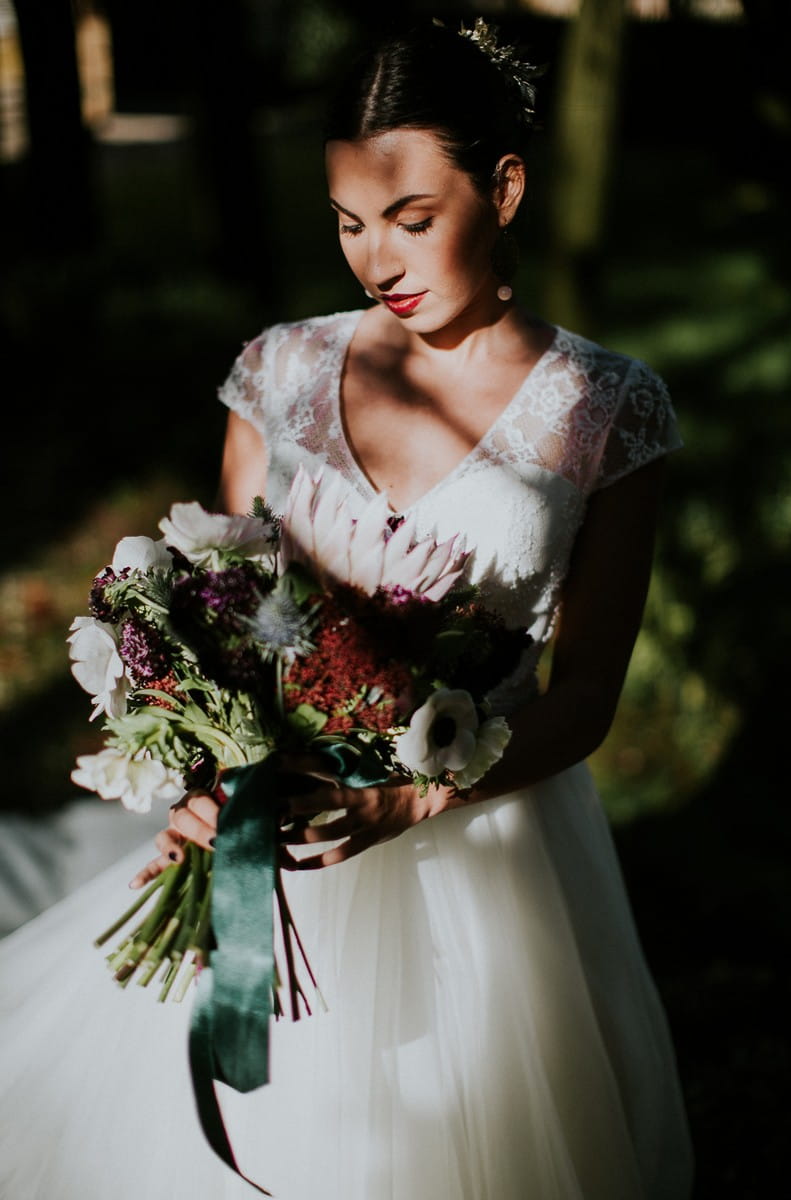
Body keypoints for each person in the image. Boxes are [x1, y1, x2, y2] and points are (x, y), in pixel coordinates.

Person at [0, 18, 694, 1200]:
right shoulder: (279, 373)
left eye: (411, 219)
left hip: (489, 852)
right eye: (347, 221)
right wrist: (205, 787)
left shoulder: (602, 409)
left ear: (506, 185)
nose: (374, 257)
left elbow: (582, 699)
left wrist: (412, 794)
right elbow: (222, 616)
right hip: (284, 849)